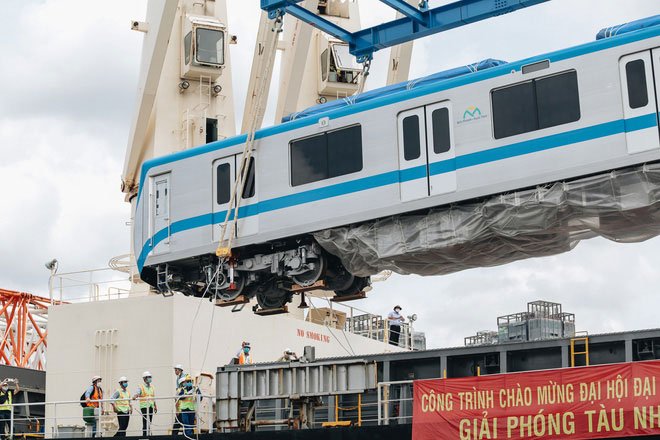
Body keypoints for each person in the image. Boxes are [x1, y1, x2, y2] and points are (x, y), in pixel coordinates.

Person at [133, 371, 157, 436]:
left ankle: (149, 433)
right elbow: (137, 393)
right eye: (148, 377)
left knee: (150, 421)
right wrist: (135, 396)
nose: (150, 378)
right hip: (144, 406)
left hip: (151, 406)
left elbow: (153, 397)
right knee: (145, 420)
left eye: (150, 377)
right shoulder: (141, 386)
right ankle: (145, 434)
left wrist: (155, 406)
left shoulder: (152, 387)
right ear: (144, 378)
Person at [172, 364, 185, 435]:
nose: (175, 371)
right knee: (180, 422)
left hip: (184, 407)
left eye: (176, 370)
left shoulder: (184, 377)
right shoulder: (178, 378)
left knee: (182, 423)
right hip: (181, 406)